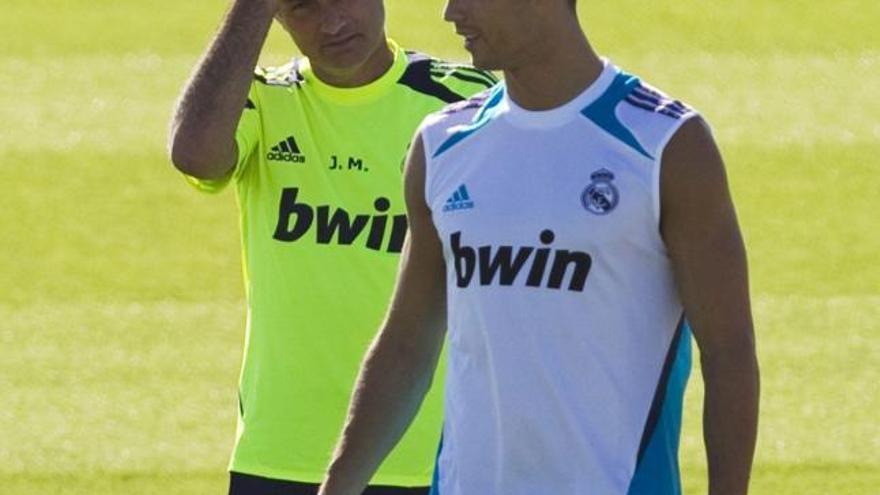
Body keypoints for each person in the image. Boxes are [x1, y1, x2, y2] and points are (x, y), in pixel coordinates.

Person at [317, 0, 760, 494]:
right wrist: (337, 485)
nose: (450, 13)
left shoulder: (665, 143)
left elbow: (728, 352)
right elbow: (404, 344)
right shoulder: (441, 145)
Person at [167, 0, 498, 493]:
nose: (334, 22)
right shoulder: (260, 98)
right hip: (282, 455)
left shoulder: (462, 102)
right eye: (303, 7)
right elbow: (196, 155)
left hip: (432, 455)